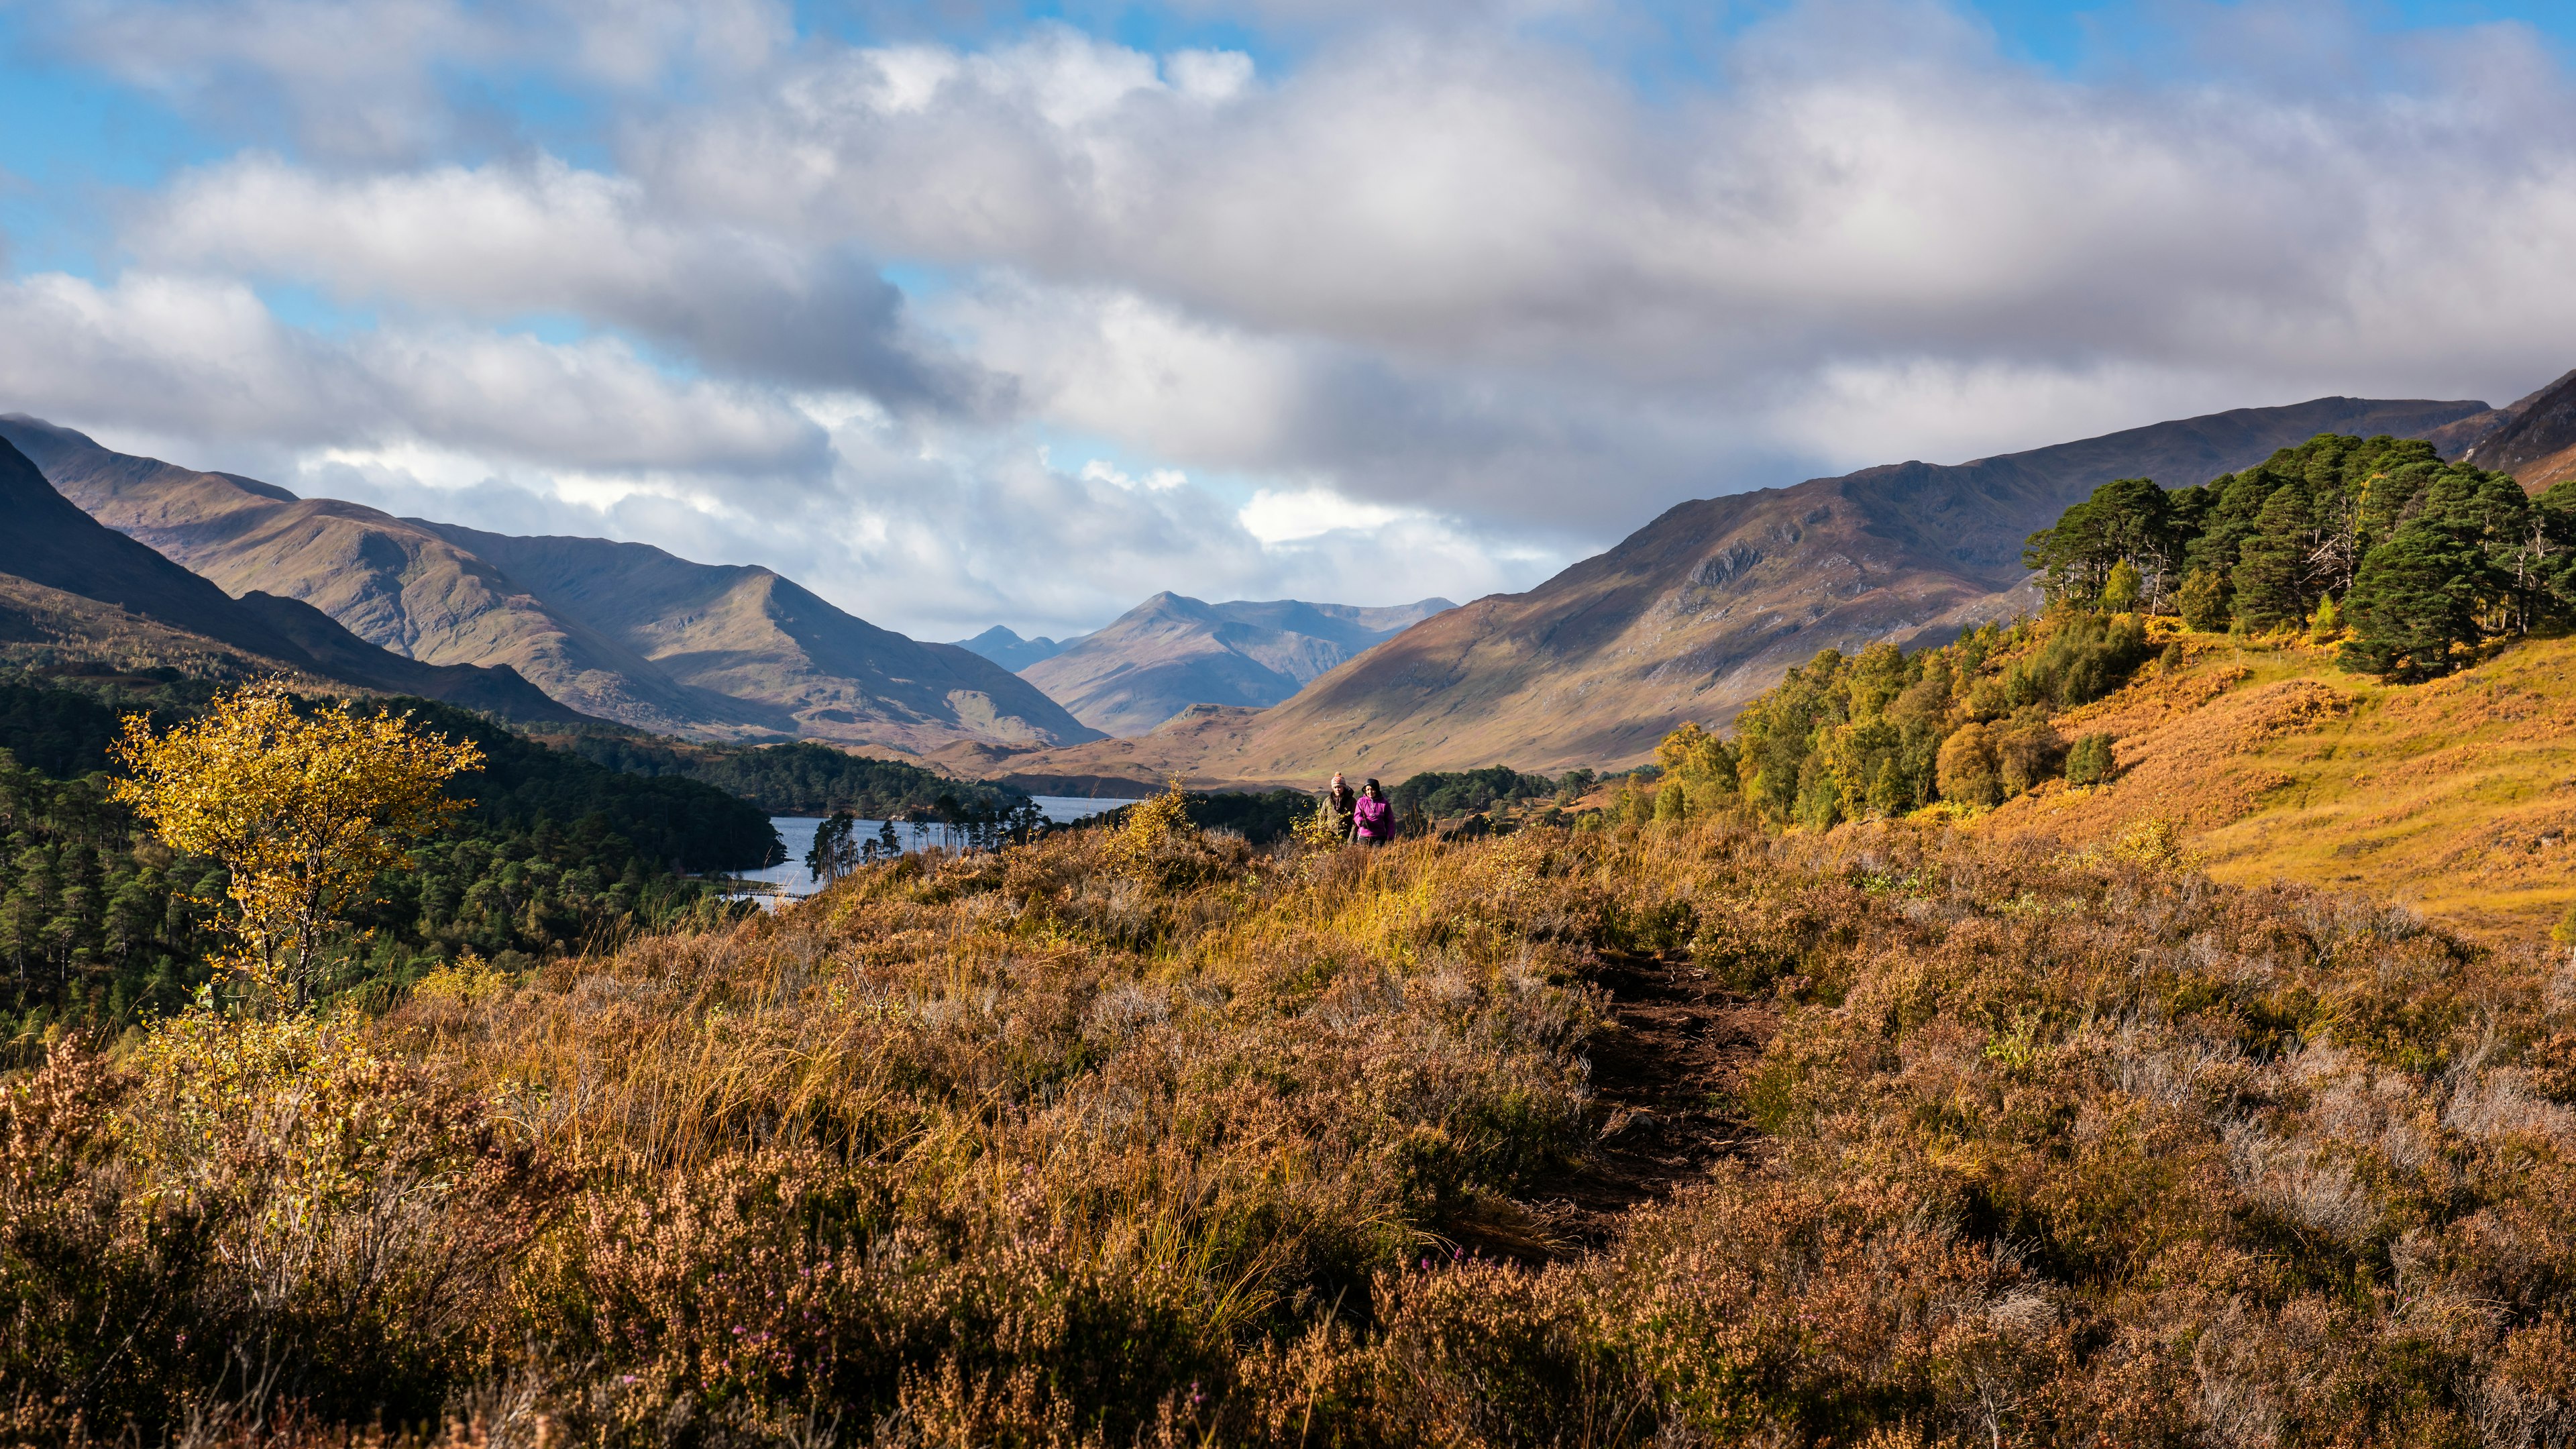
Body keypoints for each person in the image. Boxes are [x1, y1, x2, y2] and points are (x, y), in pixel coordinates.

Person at [1352, 777, 1394, 847]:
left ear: (1377, 790)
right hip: (1363, 836)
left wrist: (1390, 836)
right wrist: (1361, 822)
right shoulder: (1361, 801)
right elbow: (1357, 815)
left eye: (1372, 789)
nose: (1370, 792)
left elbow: (1390, 821)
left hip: (1379, 836)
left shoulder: (1384, 803)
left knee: (1376, 856)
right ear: (1365, 790)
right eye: (1368, 790)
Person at [1327, 771, 1358, 841]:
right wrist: (1325, 834)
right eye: (1335, 787)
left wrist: (1350, 840)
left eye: (1339, 787)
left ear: (1344, 787)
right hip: (1330, 839)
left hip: (1347, 838)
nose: (1337, 790)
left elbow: (1355, 822)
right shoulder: (1328, 801)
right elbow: (1322, 817)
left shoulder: (1352, 801)